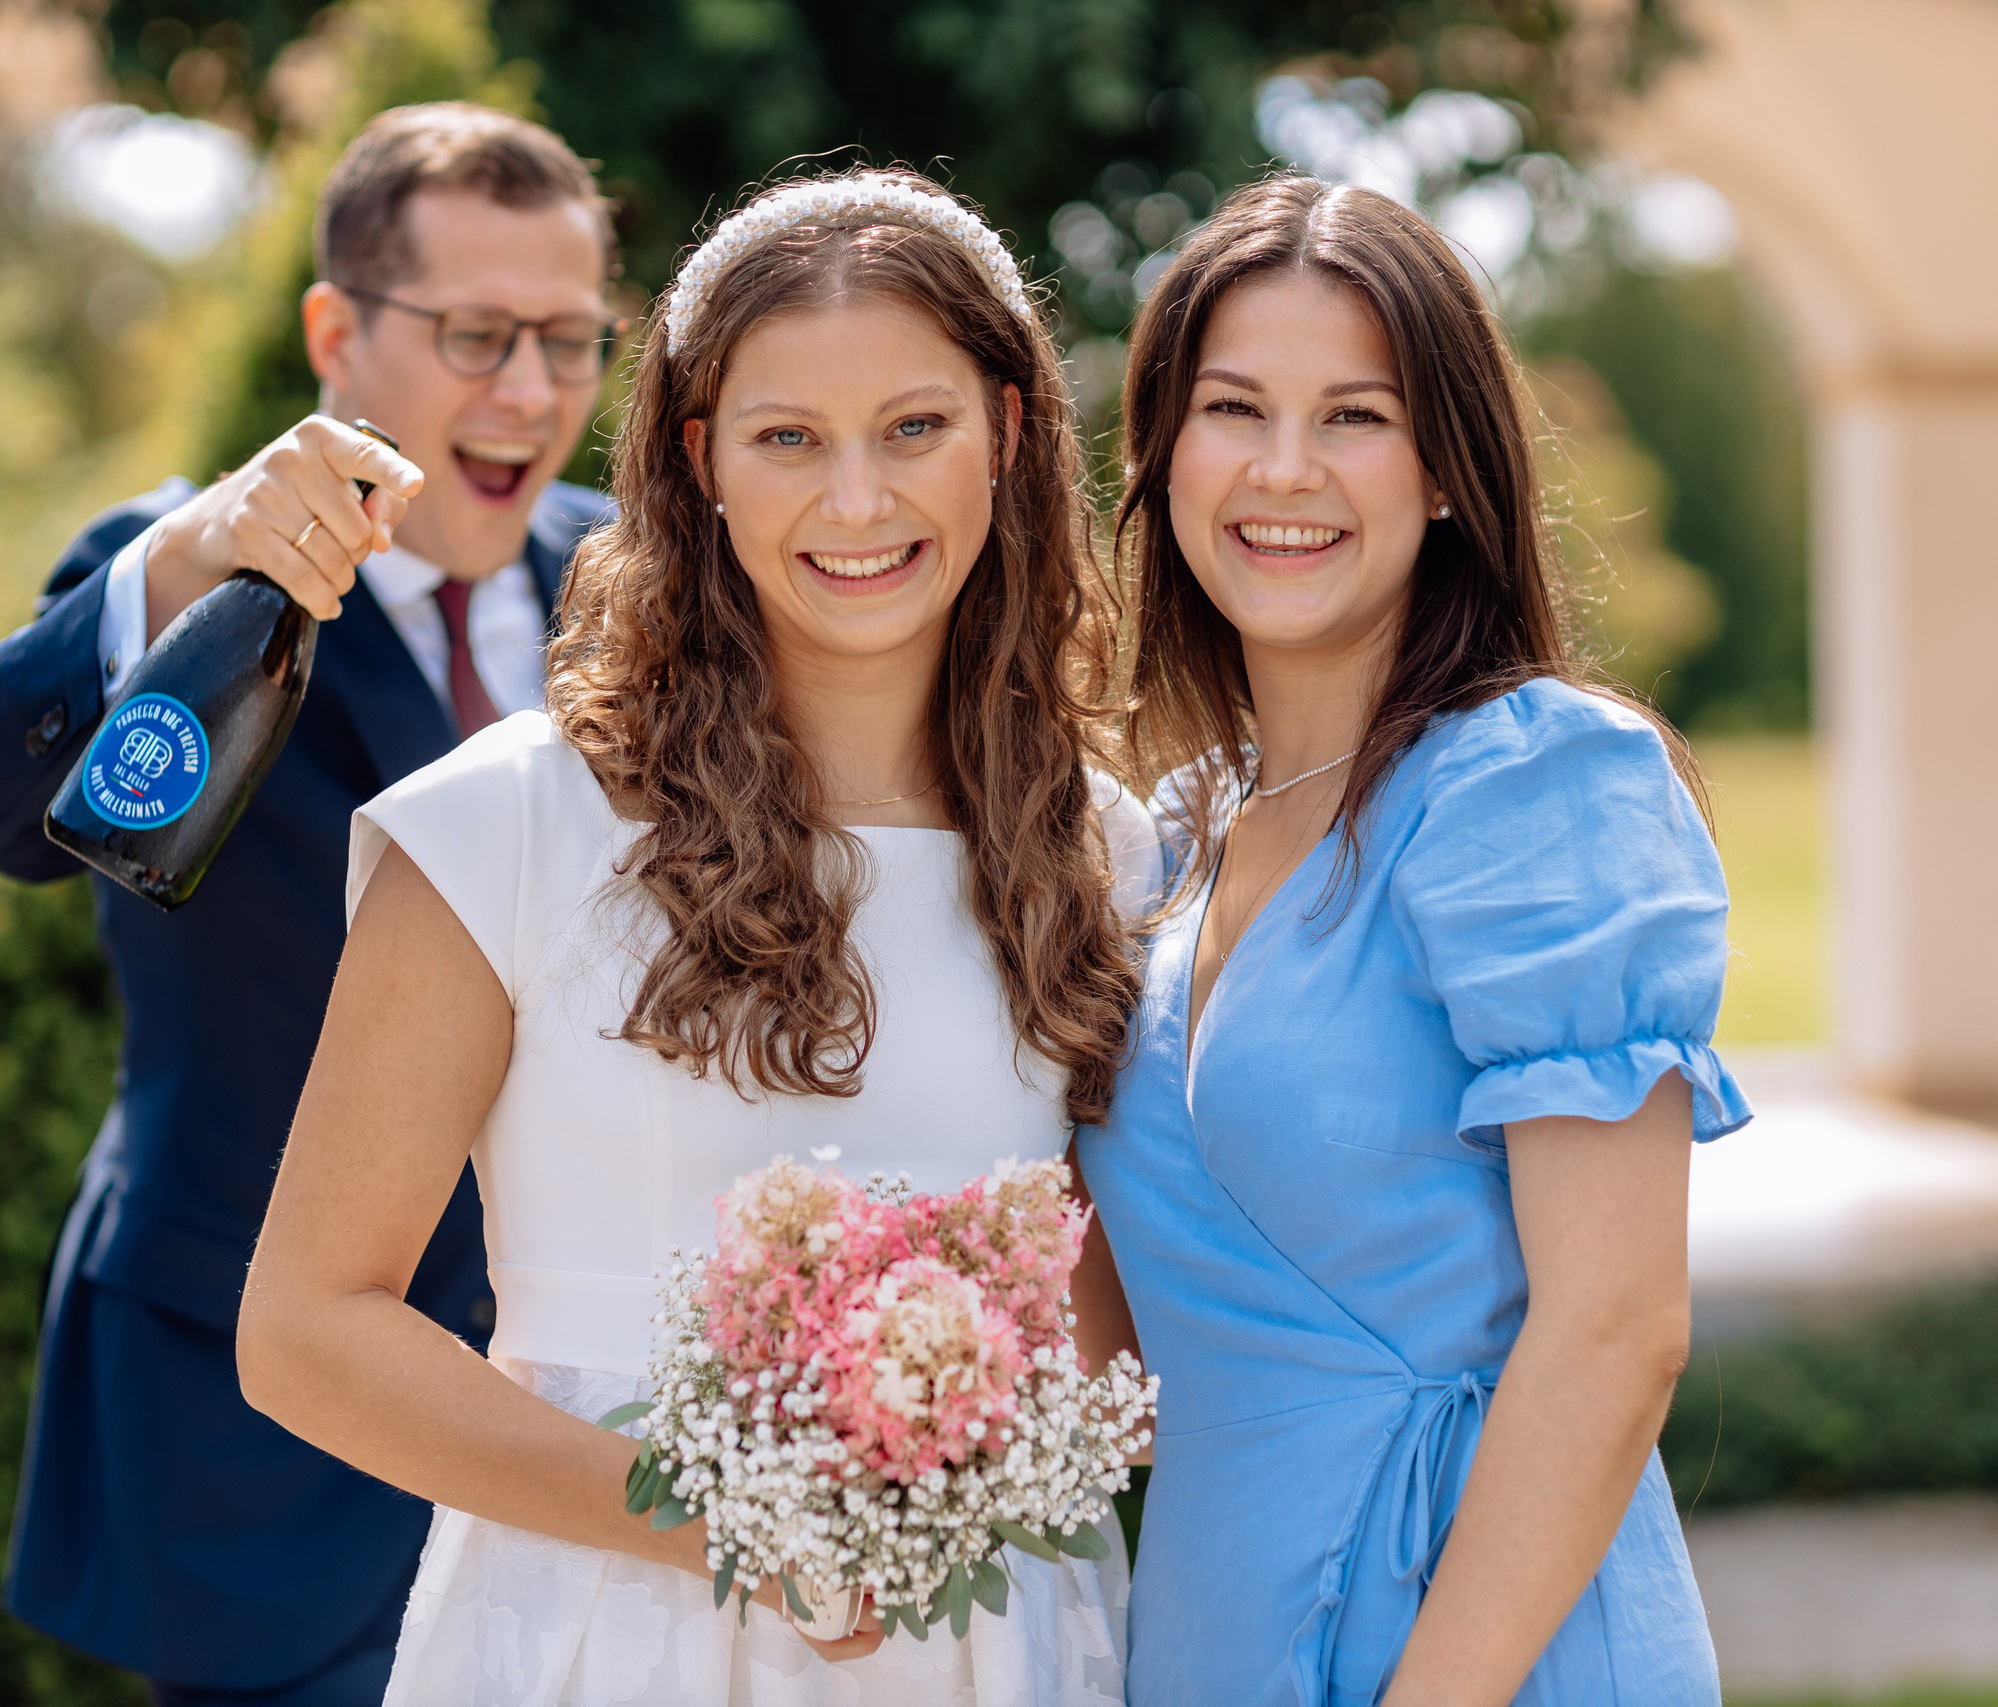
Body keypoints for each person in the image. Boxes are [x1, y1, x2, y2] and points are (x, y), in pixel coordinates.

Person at [236, 169, 1151, 1706]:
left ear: (1005, 434)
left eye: (914, 429)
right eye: (788, 436)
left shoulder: (1105, 854)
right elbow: (307, 1334)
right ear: (699, 458)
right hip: (601, 1637)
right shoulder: (512, 824)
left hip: (999, 1647)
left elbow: (1116, 1326)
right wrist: (724, 1525)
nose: (855, 502)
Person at [0, 104, 619, 1707]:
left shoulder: (635, 586)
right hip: (260, 1448)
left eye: (572, 341)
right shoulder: (181, 585)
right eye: (475, 335)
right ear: (336, 333)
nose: (529, 392)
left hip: (584, 1431)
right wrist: (189, 562)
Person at [1074, 176, 1751, 1706]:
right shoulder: (1163, 844)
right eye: (1235, 408)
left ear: (1447, 466)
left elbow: (1618, 1329)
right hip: (1208, 1631)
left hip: (1492, 1652)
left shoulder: (1535, 785)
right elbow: (1121, 1347)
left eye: (1357, 417)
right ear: (1163, 453)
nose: (1286, 470)